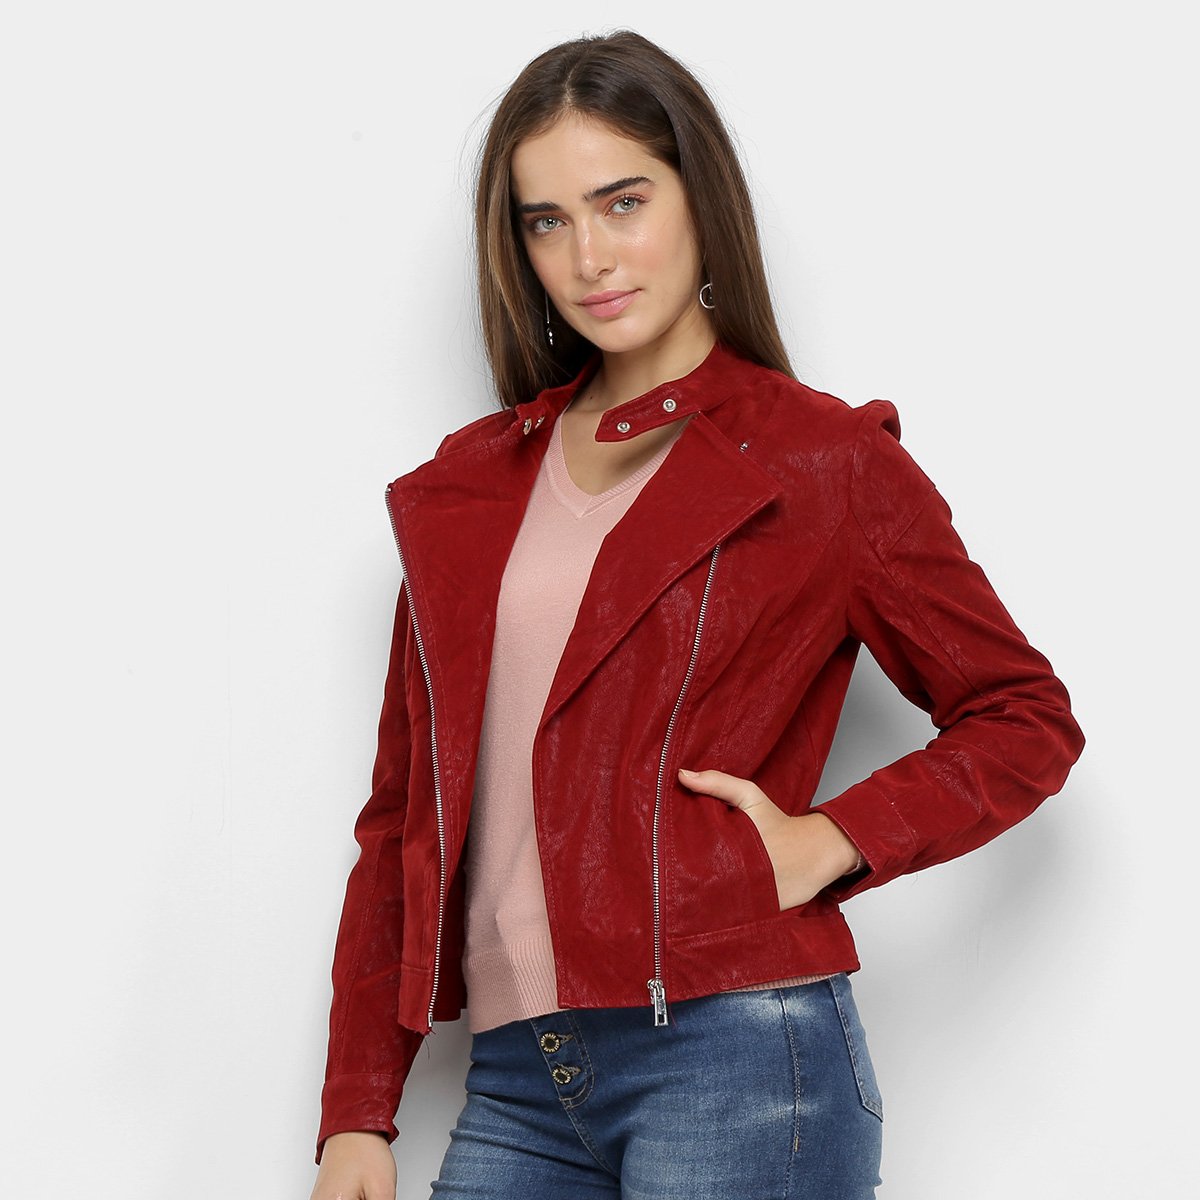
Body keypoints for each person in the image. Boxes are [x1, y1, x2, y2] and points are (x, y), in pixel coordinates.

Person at [309, 29, 1085, 1200]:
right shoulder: (468, 493)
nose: (589, 256)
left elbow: (1024, 716)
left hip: (736, 1052)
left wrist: (835, 838)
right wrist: (357, 1112)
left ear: (699, 199)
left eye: (623, 202)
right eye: (547, 220)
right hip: (517, 1078)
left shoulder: (823, 462)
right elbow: (402, 818)